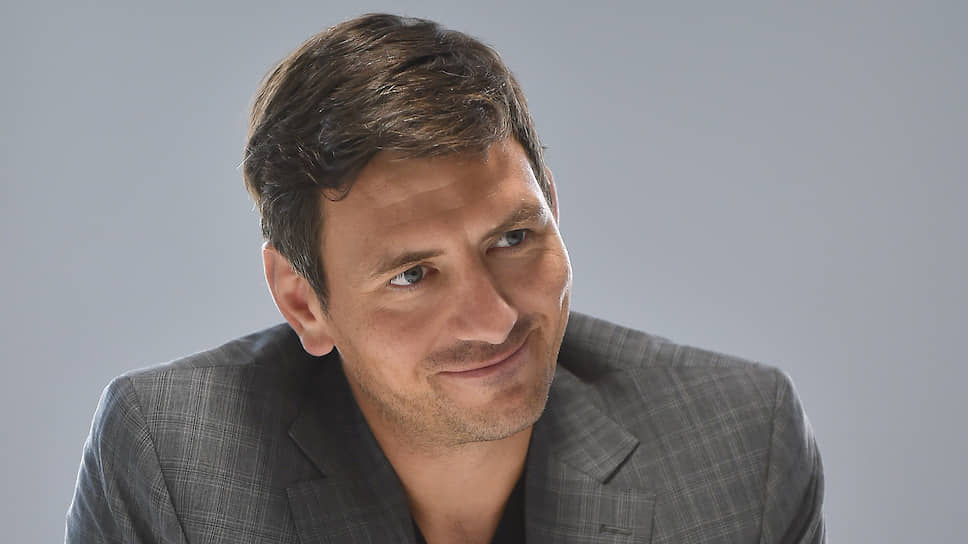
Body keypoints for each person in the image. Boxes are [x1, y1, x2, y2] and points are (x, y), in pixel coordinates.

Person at [66, 13, 824, 544]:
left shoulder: (738, 442)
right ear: (304, 301)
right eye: (413, 275)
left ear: (554, 209)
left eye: (513, 238)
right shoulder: (176, 458)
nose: (494, 318)